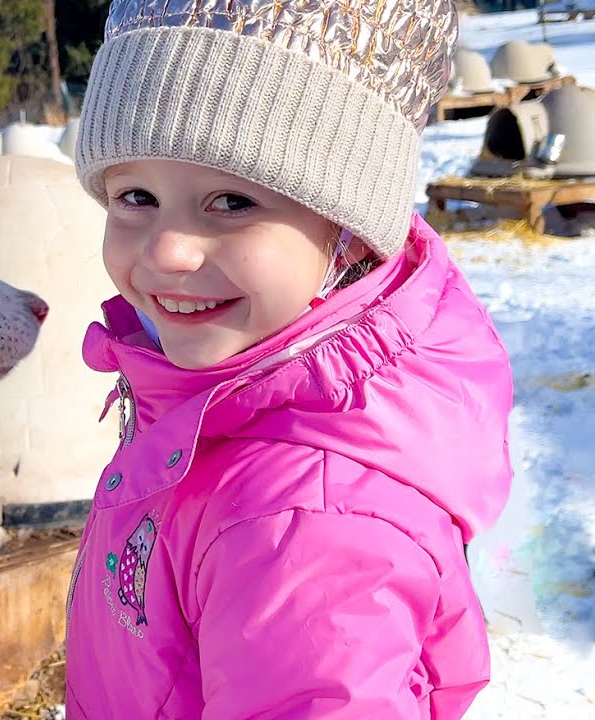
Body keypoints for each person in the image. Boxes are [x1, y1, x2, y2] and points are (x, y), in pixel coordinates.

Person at [63, 1, 513, 717]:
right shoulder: (208, 397)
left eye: (232, 201)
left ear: (351, 238)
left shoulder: (306, 523)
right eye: (136, 196)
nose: (167, 250)